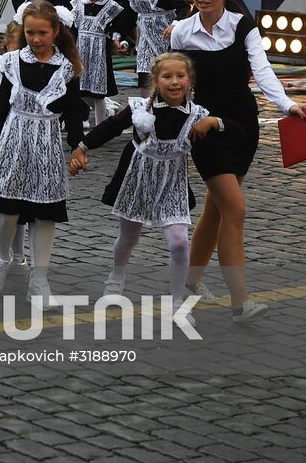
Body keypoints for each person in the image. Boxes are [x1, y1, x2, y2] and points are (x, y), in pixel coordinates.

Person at [171, 0, 306, 322]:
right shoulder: (181, 33)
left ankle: (191, 280)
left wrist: (287, 104)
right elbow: (175, 83)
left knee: (217, 208)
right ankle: (240, 301)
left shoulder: (243, 27)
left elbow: (262, 70)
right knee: (235, 208)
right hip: (203, 126)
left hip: (242, 127)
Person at [71, 51, 241, 320]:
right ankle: (116, 278)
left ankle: (176, 303)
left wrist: (215, 122)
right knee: (129, 237)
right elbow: (112, 127)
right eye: (167, 77)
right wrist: (81, 147)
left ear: (190, 80)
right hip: (138, 176)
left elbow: (237, 130)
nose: (174, 82)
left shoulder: (198, 114)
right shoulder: (141, 108)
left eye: (180, 76)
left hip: (173, 179)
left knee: (179, 242)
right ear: (156, 81)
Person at [0, 0, 87, 306]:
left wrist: (78, 146)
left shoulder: (67, 68)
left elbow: (74, 113)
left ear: (55, 32)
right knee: (9, 208)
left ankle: (40, 278)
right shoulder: (12, 62)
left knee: (45, 213)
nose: (36, 39)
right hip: (14, 138)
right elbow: (0, 108)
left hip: (47, 142)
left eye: (42, 33)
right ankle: (2, 257)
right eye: (30, 33)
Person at [120, 0, 185, 97]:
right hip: (145, 40)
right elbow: (130, 11)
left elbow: (183, 6)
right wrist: (121, 37)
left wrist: (175, 24)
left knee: (166, 79)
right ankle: (148, 116)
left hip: (165, 39)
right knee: (145, 80)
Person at [70, 0, 127, 126]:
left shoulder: (111, 6)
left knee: (98, 93)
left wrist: (118, 40)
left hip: (100, 53)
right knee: (78, 88)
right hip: (80, 51)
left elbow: (118, 27)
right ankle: (104, 111)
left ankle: (100, 126)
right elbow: (72, 28)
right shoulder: (77, 4)